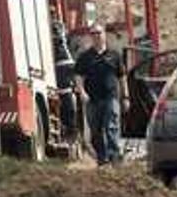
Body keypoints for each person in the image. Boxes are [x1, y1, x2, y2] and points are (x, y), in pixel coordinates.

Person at [74, 24, 128, 165]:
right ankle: (102, 159)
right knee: (96, 131)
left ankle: (114, 158)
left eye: (98, 33)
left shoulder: (114, 55)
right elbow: (78, 76)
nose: (96, 36)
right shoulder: (85, 57)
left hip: (111, 97)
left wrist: (126, 97)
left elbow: (122, 77)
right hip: (92, 100)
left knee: (111, 127)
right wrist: (82, 92)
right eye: (93, 33)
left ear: (104, 34)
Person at [51, 18, 79, 140]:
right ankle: (70, 129)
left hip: (62, 66)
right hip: (66, 66)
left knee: (65, 97)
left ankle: (70, 129)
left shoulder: (54, 28)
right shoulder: (60, 28)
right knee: (67, 96)